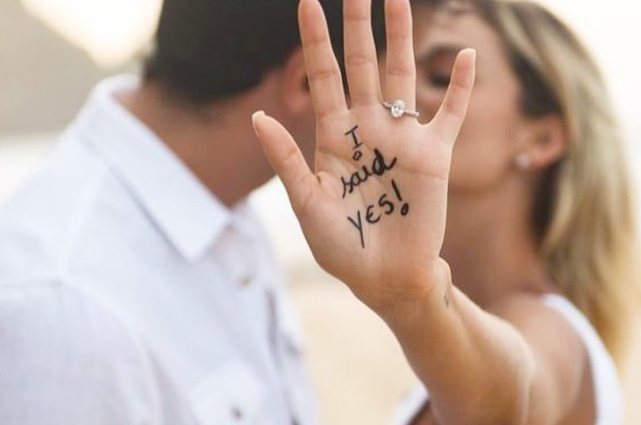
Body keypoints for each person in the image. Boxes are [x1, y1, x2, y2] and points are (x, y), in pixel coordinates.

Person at [253, 0, 641, 424]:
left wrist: (415, 297)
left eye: (439, 76)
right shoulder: (463, 338)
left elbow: (513, 396)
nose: (398, 102)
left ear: (541, 139)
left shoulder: (552, 331)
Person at [0, 0, 384, 423]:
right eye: (386, 91)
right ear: (308, 82)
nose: (399, 117)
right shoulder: (66, 312)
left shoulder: (222, 199)